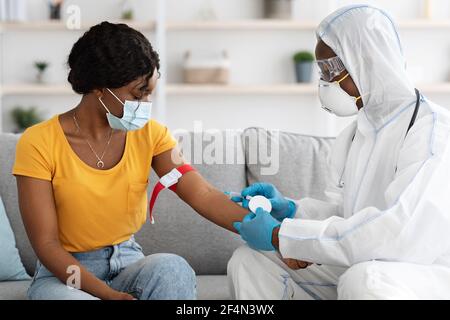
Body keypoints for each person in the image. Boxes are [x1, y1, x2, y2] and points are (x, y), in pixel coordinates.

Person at [228, 5, 450, 300]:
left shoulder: (432, 131)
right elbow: (347, 215)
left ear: (368, 61)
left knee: (364, 281)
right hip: (368, 257)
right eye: (322, 72)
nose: (326, 83)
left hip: (424, 270)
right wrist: (293, 210)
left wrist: (281, 235)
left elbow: (396, 231)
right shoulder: (357, 133)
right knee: (251, 261)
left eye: (332, 70)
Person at [13, 22, 248, 300]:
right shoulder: (38, 142)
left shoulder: (152, 135)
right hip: (65, 275)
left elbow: (204, 194)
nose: (146, 103)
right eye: (139, 93)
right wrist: (109, 295)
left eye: (149, 92)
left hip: (128, 262)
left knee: (173, 268)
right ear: (99, 87)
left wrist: (275, 234)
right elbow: (47, 244)